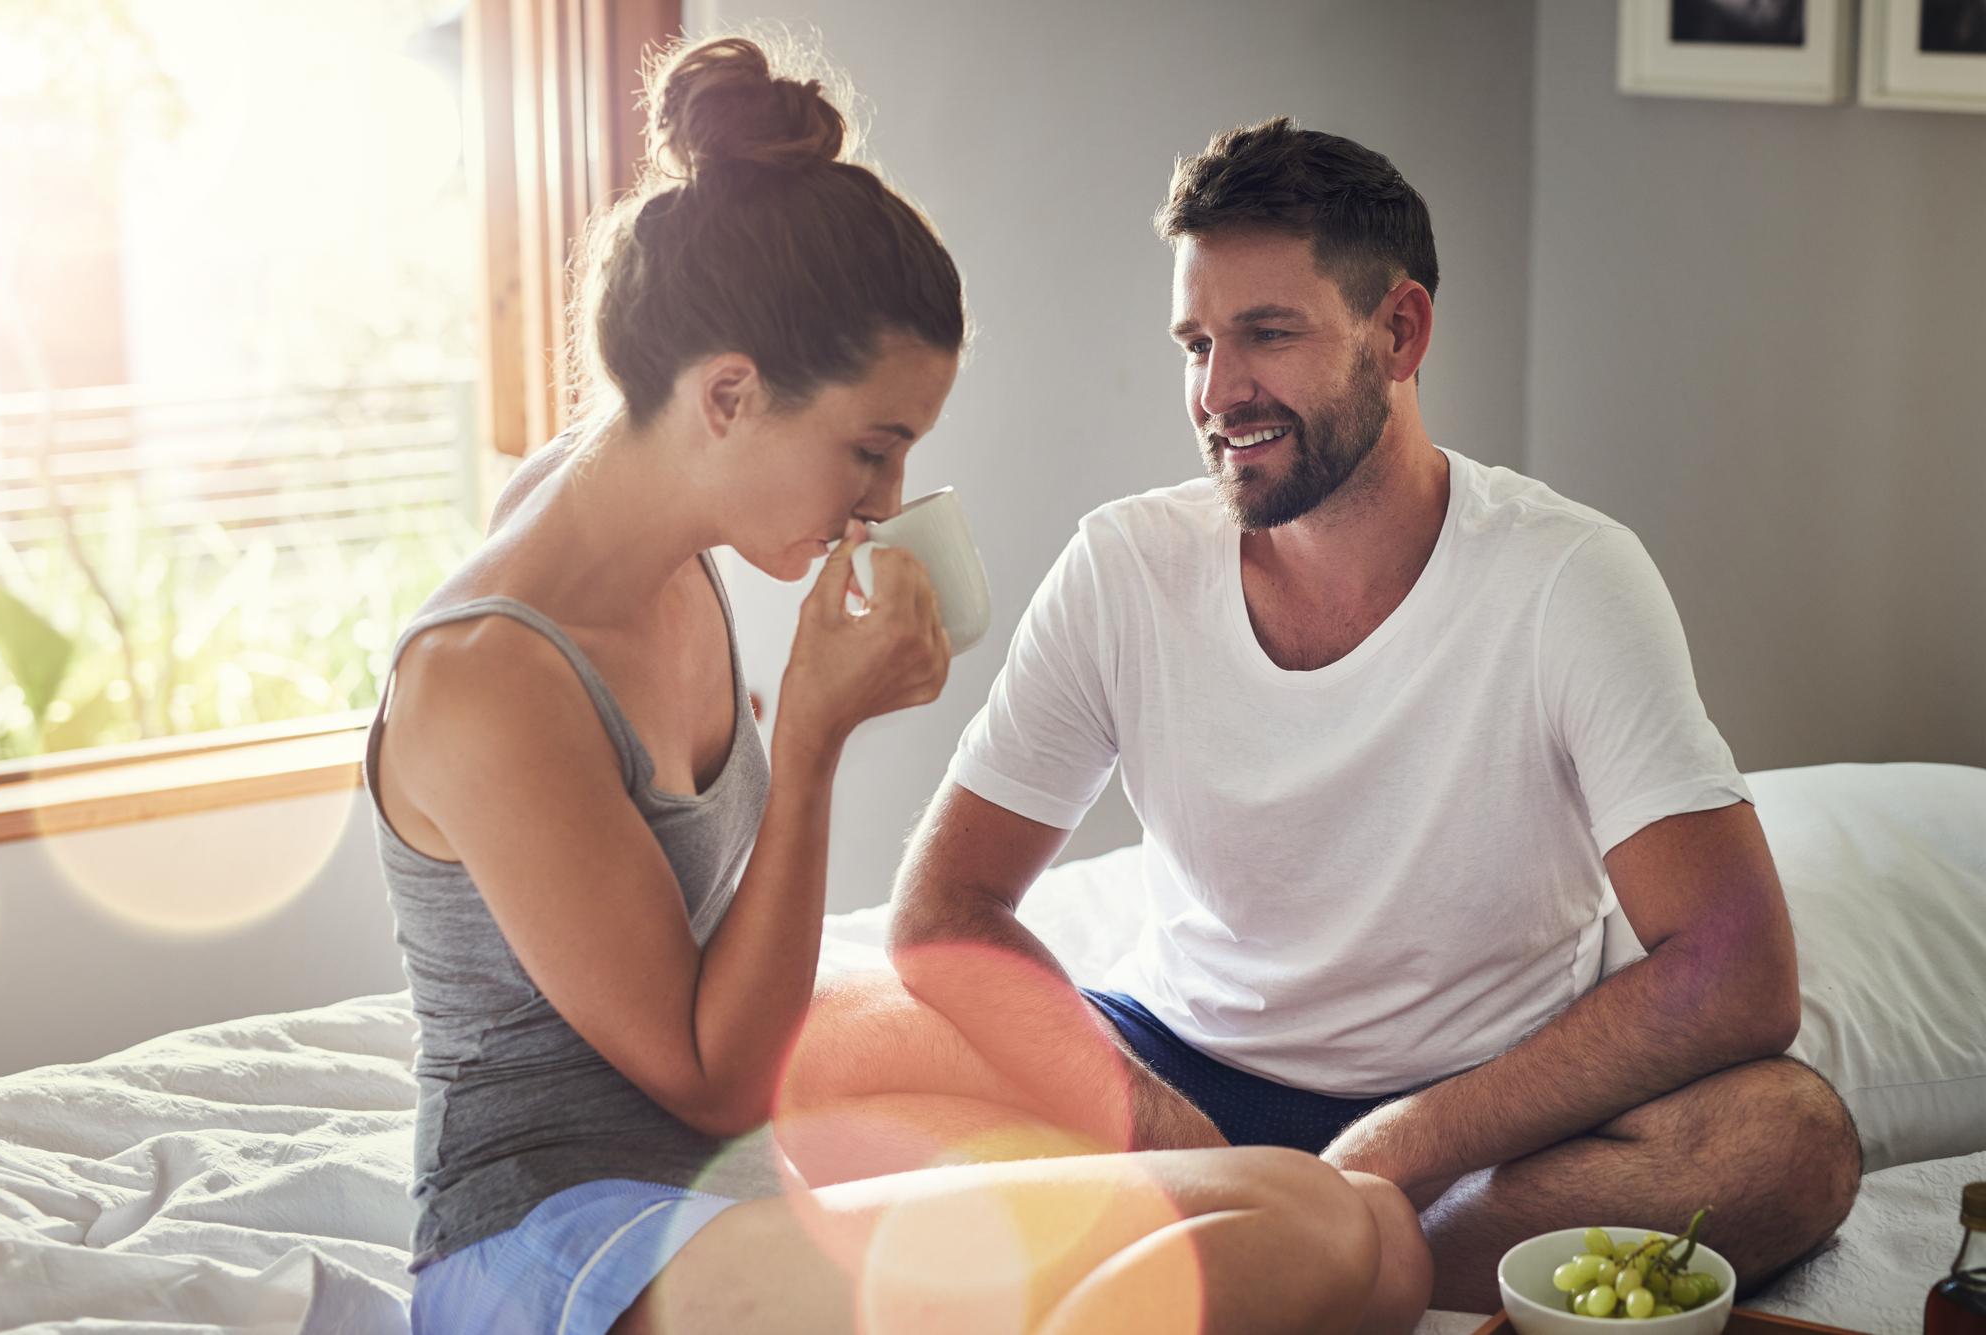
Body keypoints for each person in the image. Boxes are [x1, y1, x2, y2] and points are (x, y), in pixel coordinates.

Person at [369, 39, 1423, 1335]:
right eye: (869, 449)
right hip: (564, 1245)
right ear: (729, 395)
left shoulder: (636, 508)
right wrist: (809, 744)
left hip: (728, 1196)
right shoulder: (489, 680)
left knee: (1378, 1235)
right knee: (1314, 1224)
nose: (883, 502)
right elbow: (711, 1076)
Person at [784, 119, 1863, 1314]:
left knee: (1786, 1140)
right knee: (817, 1029)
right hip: (1173, 1074)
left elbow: (1733, 968)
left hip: (1468, 1117)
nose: (1216, 390)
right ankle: (1273, 1243)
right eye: (1195, 342)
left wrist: (1395, 1150)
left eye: (1266, 334)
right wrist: (1168, 1133)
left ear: (1398, 331)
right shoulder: (1125, 566)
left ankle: (1279, 1246)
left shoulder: (1567, 581)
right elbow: (947, 909)